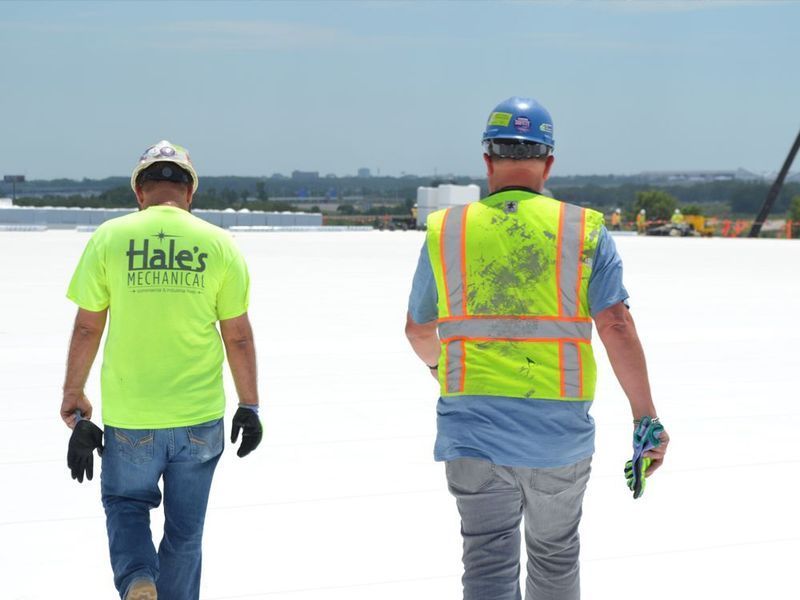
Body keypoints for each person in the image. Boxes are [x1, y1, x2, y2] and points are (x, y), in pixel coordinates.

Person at [404, 97, 668, 600]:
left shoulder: (446, 230)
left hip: (471, 431)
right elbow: (615, 325)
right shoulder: (584, 227)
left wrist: (444, 370)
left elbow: (418, 331)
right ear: (548, 162)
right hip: (557, 435)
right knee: (554, 557)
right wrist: (644, 417)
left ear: (487, 160)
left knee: (486, 564)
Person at [61, 140, 263, 600]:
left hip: (133, 418)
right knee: (185, 537)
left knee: (126, 504)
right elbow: (238, 336)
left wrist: (74, 397)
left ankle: (138, 581)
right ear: (190, 193)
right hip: (199, 419)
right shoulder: (220, 243)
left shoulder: (109, 238)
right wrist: (249, 405)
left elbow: (88, 327)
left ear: (139, 192)